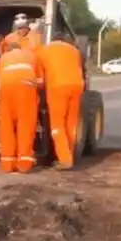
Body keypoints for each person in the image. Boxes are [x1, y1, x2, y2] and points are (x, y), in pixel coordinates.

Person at [36, 33, 85, 170]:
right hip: (77, 87)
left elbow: (39, 73)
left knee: (57, 126)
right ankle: (69, 155)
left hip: (58, 87)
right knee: (71, 124)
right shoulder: (74, 51)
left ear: (51, 40)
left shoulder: (44, 50)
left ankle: (65, 160)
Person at [0, 40, 40, 173]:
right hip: (25, 89)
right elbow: (40, 80)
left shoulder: (2, 58)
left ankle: (7, 165)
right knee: (25, 125)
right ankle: (24, 164)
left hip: (6, 90)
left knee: (6, 126)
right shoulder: (31, 56)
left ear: (7, 50)